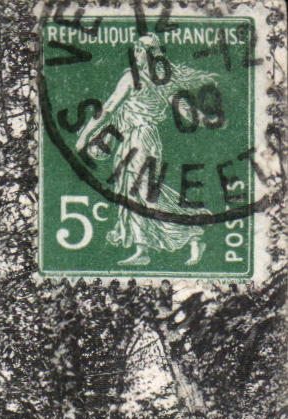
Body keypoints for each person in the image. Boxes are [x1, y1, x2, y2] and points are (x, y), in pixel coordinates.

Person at [74, 35, 216, 266]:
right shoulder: (164, 81)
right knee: (132, 192)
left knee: (145, 193)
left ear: (145, 53)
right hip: (139, 138)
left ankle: (193, 229)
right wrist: (207, 120)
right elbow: (187, 112)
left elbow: (109, 108)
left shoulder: (132, 77)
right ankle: (142, 249)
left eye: (138, 51)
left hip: (140, 138)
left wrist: (84, 135)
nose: (136, 55)